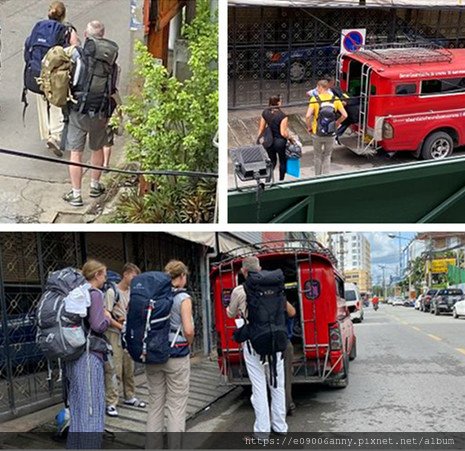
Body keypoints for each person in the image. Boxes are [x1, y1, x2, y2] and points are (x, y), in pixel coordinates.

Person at [226, 256, 288, 437]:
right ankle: (280, 426)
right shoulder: (276, 287)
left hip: (254, 344)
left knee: (259, 386)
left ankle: (262, 432)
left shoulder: (239, 290)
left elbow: (230, 314)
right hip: (276, 341)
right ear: (259, 269)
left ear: (244, 272)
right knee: (277, 384)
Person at [63, 20, 119, 207]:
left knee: (76, 153)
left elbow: (70, 80)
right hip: (101, 111)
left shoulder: (78, 56)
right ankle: (95, 185)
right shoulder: (112, 61)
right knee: (97, 148)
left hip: (79, 110)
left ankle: (76, 194)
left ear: (86, 35)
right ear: (103, 35)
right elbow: (112, 88)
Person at [145, 260, 194, 448]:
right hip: (176, 355)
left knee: (155, 404)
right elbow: (188, 330)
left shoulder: (153, 294)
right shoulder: (183, 298)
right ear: (181, 277)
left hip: (153, 354)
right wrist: (188, 344)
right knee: (176, 406)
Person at [66, 259, 111, 449]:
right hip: (89, 356)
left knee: (77, 407)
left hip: (73, 356)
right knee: (92, 409)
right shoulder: (95, 294)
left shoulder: (75, 293)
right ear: (97, 275)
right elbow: (98, 324)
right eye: (104, 274)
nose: (106, 278)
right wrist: (107, 318)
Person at [35, 2, 80, 156]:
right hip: (57, 76)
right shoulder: (67, 30)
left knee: (43, 102)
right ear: (64, 15)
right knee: (56, 103)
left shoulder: (39, 27)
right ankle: (55, 135)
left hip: (39, 71)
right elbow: (76, 49)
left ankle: (47, 134)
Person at [104, 263, 145, 418]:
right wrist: (120, 326)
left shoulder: (132, 292)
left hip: (129, 333)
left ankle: (129, 395)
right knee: (114, 368)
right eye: (133, 276)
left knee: (129, 366)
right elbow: (105, 315)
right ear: (126, 274)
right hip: (114, 333)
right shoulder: (111, 292)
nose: (135, 280)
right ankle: (112, 402)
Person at [306, 79, 348, 176]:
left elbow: (308, 116)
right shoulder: (335, 99)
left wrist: (309, 127)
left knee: (317, 155)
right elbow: (345, 115)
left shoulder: (314, 99)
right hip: (331, 132)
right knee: (327, 155)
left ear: (321, 87)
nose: (317, 90)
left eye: (317, 88)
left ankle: (317, 177)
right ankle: (326, 177)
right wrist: (337, 123)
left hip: (317, 132)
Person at [257, 96, 290, 182]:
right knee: (282, 161)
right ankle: (281, 180)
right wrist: (290, 138)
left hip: (269, 141)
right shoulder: (283, 116)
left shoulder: (265, 112)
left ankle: (268, 180)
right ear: (278, 103)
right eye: (281, 101)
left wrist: (259, 139)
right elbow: (283, 132)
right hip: (280, 141)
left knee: (271, 161)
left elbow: (261, 128)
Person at [283, 301, 296, 416]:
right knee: (286, 376)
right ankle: (287, 406)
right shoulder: (278, 296)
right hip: (283, 342)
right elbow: (292, 312)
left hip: (262, 344)